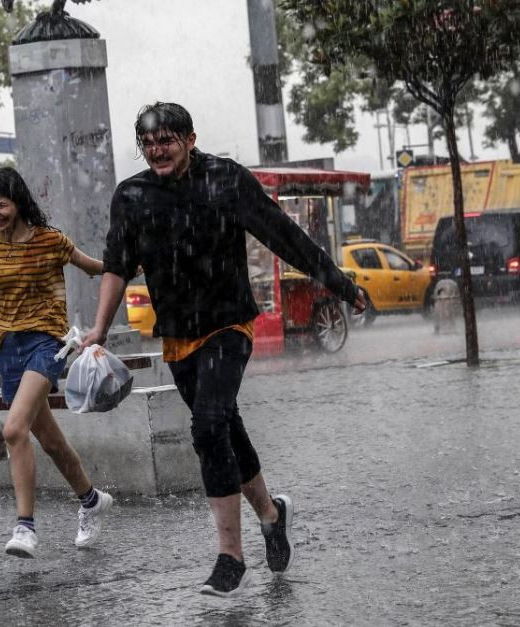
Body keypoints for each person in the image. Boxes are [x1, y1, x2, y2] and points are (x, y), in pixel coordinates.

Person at [82, 102, 366, 596]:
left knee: (208, 424)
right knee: (226, 429)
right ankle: (271, 515)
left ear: (190, 140)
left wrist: (340, 284)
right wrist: (99, 331)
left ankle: (229, 556)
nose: (157, 151)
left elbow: (285, 236)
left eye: (166, 141)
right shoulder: (132, 196)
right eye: (148, 144)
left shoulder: (226, 179)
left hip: (229, 324)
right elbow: (116, 264)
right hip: (178, 335)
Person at [0, 167, 113, 559]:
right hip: (6, 347)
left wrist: (132, 266)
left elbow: (93, 267)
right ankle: (91, 500)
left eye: (1, 205)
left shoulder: (50, 241)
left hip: (47, 343)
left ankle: (25, 527)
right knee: (50, 439)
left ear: (20, 203)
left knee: (12, 430)